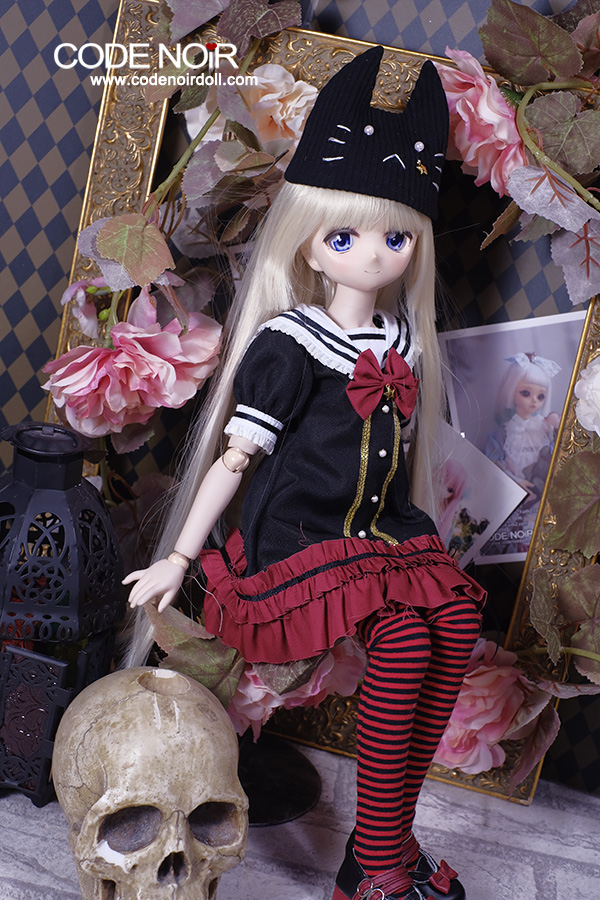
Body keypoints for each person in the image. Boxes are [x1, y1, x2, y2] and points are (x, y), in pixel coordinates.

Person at [124, 47, 485, 900]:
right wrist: (179, 557)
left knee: (455, 623)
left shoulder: (400, 340)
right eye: (345, 237)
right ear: (312, 248)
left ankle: (383, 845)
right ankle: (376, 865)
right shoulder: (291, 345)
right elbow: (236, 458)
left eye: (396, 237)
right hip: (301, 536)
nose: (374, 255)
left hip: (378, 532)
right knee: (405, 642)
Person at [485, 352, 560, 503]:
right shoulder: (504, 431)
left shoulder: (546, 427)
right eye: (525, 393)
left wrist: (557, 428)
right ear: (511, 392)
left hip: (545, 491)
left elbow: (558, 454)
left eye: (540, 396)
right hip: (516, 493)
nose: (534, 401)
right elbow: (492, 463)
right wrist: (515, 482)